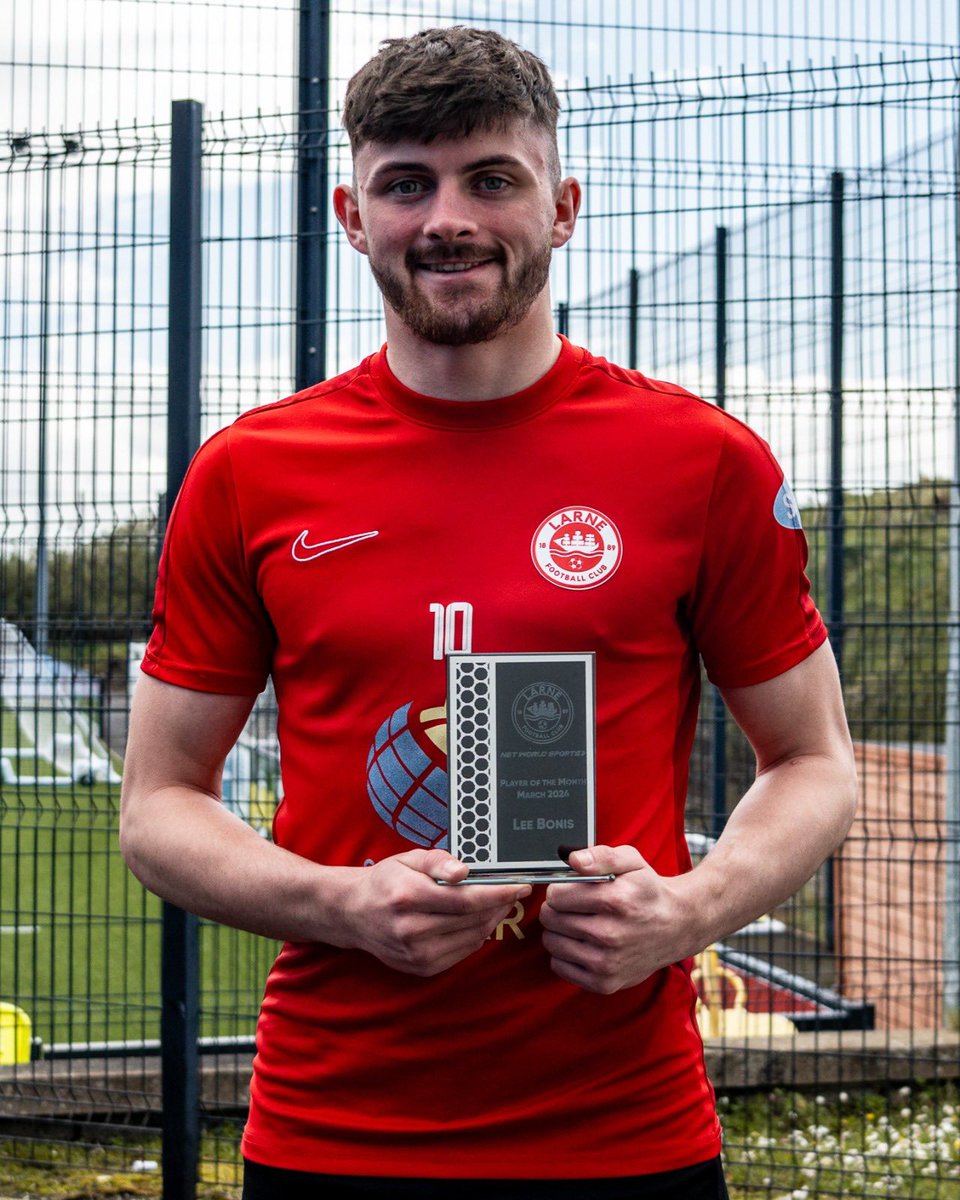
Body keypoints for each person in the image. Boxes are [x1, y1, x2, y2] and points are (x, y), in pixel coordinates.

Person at [120, 25, 857, 1200]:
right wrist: (343, 903)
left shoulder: (699, 461)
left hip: (628, 1138)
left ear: (562, 206)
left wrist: (689, 909)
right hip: (331, 1135)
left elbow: (816, 761)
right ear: (352, 216)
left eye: (491, 180)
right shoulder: (251, 473)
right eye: (405, 183)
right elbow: (158, 808)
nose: (446, 218)